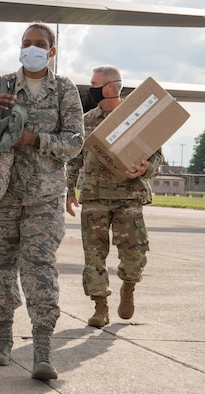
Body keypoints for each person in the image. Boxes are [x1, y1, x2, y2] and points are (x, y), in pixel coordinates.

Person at [0, 22, 84, 380]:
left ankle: (42, 348)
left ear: (51, 51)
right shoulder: (1, 84)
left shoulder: (64, 90)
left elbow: (76, 141)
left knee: (40, 267)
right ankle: (2, 338)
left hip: (44, 197)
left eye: (39, 44)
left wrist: (35, 139)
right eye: (25, 43)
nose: (31, 48)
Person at [66, 65, 163, 329]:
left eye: (94, 83)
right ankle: (100, 307)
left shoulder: (136, 118)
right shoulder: (85, 122)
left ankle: (128, 287)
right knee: (94, 255)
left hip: (128, 195)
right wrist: (68, 191)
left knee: (135, 254)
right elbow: (74, 159)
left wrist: (147, 168)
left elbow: (156, 154)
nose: (91, 87)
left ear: (110, 86)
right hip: (94, 196)